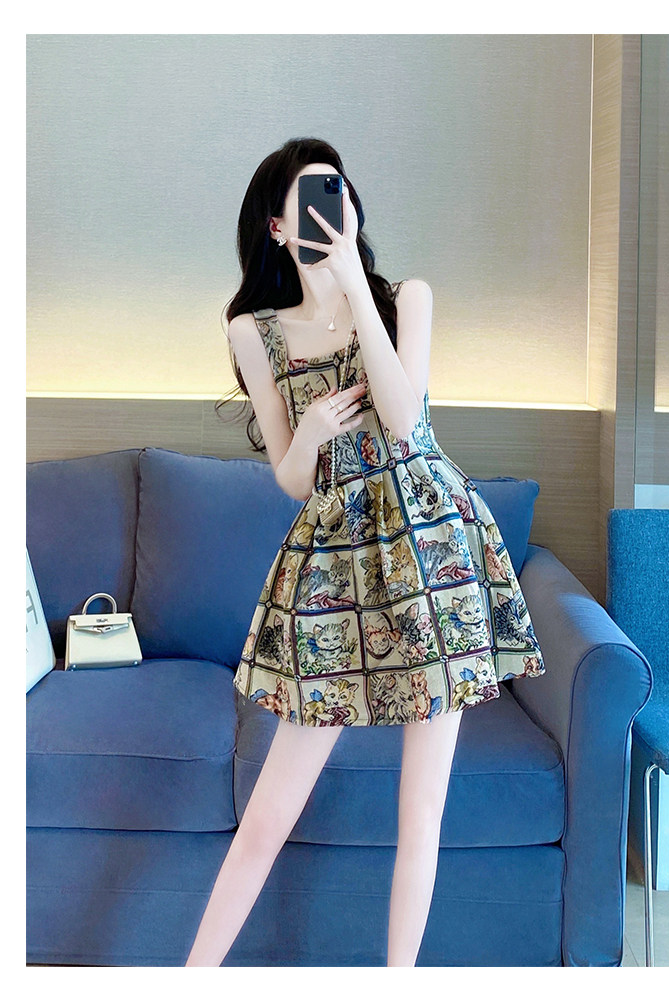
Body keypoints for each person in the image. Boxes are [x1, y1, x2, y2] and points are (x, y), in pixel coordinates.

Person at [185, 138, 545, 967]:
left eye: (338, 191)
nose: (331, 206)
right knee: (268, 815)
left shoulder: (404, 297)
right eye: (310, 197)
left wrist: (353, 281)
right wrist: (311, 430)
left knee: (421, 814)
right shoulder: (253, 332)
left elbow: (405, 421)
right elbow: (290, 478)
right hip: (333, 560)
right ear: (277, 226)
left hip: (433, 552)